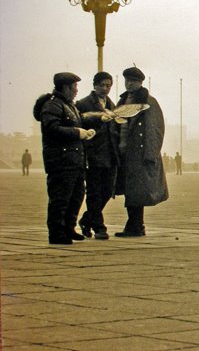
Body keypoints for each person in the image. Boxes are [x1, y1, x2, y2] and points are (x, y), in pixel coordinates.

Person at [33, 72, 96, 244]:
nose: (76, 91)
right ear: (66, 87)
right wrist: (77, 132)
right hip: (61, 161)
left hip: (75, 161)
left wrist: (95, 120)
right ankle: (56, 233)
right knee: (60, 198)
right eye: (74, 87)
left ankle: (69, 228)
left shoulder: (70, 106)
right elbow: (52, 128)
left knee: (76, 196)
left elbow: (81, 120)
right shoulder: (52, 105)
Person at [114, 67, 169, 237]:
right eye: (127, 81)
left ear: (140, 83)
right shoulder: (122, 102)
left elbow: (155, 129)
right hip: (123, 153)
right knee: (130, 190)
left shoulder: (148, 103)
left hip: (138, 154)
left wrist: (151, 154)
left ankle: (135, 226)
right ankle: (134, 225)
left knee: (136, 191)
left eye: (133, 81)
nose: (129, 84)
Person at [75, 71, 119, 240]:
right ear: (95, 85)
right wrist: (98, 118)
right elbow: (80, 121)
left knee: (108, 191)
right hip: (93, 154)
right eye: (102, 85)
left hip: (110, 155)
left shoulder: (112, 104)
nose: (105, 88)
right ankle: (99, 227)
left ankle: (87, 219)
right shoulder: (84, 103)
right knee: (94, 192)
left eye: (108, 85)